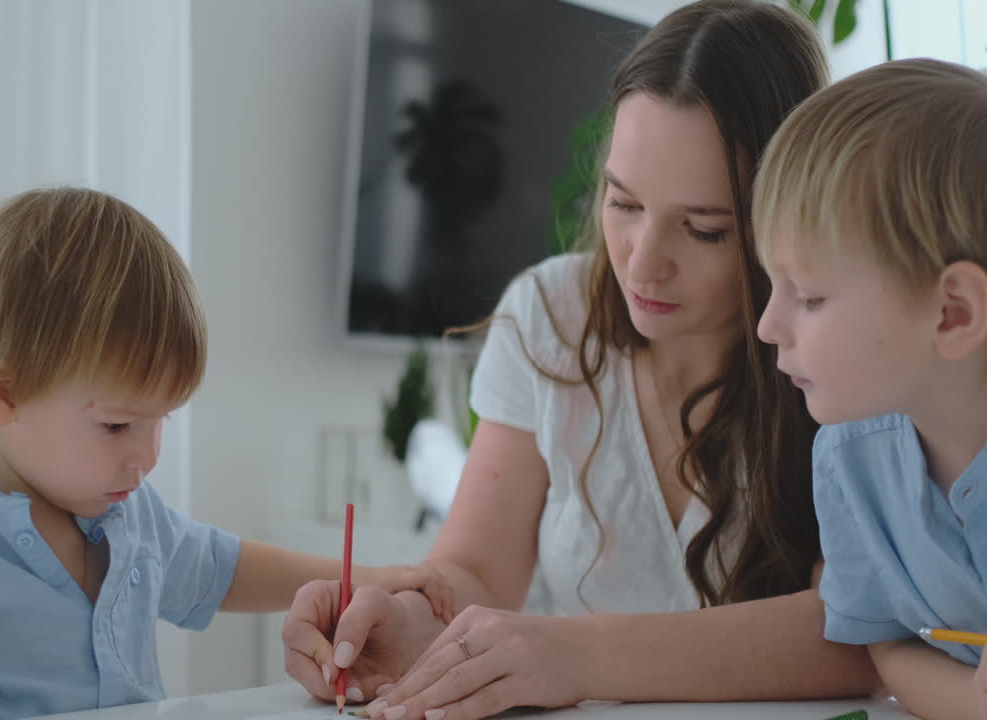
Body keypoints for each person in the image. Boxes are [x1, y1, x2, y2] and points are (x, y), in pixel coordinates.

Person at [282, 2, 880, 717]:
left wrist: (575, 653)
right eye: (624, 205)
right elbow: (473, 571)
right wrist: (403, 624)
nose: (643, 264)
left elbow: (851, 632)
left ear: (784, 217)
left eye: (703, 230)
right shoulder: (548, 316)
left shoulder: (846, 351)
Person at [0, 187, 451, 720]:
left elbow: (223, 568)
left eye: (161, 422)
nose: (148, 455)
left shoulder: (128, 514)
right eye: (119, 426)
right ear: (4, 394)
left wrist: (364, 578)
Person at [755, 58, 987, 720]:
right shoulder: (847, 460)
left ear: (953, 314)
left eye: (808, 294)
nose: (770, 325)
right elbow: (884, 644)